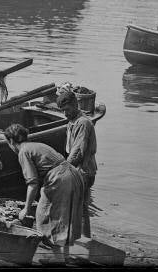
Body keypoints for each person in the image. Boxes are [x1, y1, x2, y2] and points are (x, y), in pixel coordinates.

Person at [4, 123, 85, 263]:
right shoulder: (35, 144)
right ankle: (64, 256)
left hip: (60, 179)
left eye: (8, 143)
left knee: (44, 216)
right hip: (74, 174)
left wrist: (26, 209)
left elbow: (33, 183)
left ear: (11, 141)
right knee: (65, 216)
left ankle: (58, 259)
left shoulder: (23, 151)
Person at [58, 90, 98, 237]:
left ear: (75, 104)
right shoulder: (72, 121)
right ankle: (81, 239)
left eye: (67, 110)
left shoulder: (83, 123)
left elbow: (78, 152)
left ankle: (82, 241)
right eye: (62, 111)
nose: (65, 114)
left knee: (79, 208)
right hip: (78, 170)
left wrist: (62, 169)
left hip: (84, 171)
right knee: (78, 207)